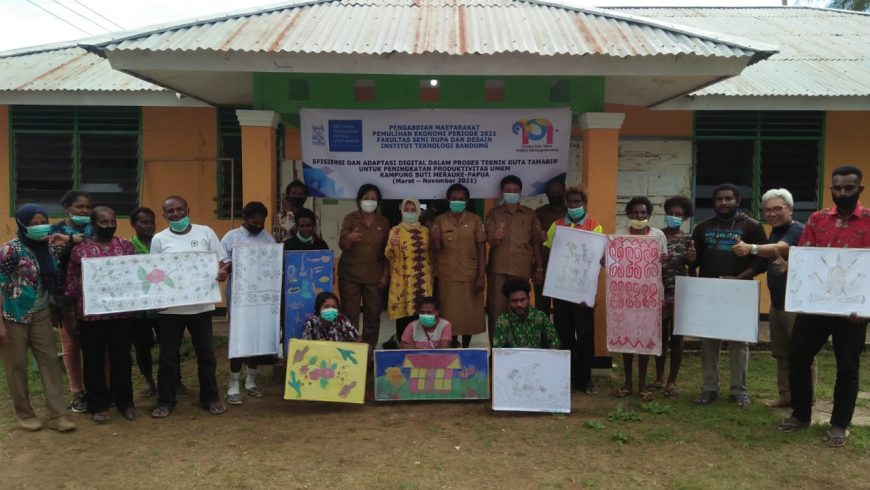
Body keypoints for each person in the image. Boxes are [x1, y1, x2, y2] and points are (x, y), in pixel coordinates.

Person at [778, 165, 869, 448]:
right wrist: (792, 271)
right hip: (815, 307)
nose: (842, 193)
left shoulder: (869, 220)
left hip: (853, 312)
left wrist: (865, 308)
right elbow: (807, 259)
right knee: (798, 357)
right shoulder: (817, 219)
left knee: (848, 367)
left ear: (859, 189)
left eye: (848, 188)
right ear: (831, 189)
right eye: (837, 188)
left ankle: (839, 424)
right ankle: (801, 415)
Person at [733, 188, 814, 408]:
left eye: (777, 209)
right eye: (767, 210)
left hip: (796, 305)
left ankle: (805, 398)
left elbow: (781, 248)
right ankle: (786, 396)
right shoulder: (775, 231)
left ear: (790, 209)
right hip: (778, 303)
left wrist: (751, 248)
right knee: (781, 354)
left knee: (802, 354)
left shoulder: (798, 230)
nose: (771, 214)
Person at [150, 196, 229, 418]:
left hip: (201, 307)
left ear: (188, 209)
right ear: (164, 216)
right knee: (167, 357)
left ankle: (210, 398)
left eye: (179, 210)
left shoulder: (206, 233)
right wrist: (157, 299)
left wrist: (223, 272)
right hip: (170, 309)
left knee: (206, 355)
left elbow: (222, 262)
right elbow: (154, 272)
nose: (176, 215)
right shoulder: (159, 239)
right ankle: (165, 401)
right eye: (171, 212)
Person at [689, 183, 767, 407]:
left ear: (737, 201)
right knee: (708, 341)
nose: (723, 203)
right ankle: (709, 388)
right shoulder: (702, 227)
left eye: (728, 199)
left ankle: (739, 390)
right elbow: (694, 261)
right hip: (709, 291)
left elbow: (761, 260)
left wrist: (741, 278)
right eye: (719, 199)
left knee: (738, 342)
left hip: (739, 291)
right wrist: (691, 259)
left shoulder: (751, 226)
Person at [0, 204, 76, 433]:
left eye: (42, 221)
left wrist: (66, 237)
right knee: (17, 365)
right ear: (22, 224)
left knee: (50, 362)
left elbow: (81, 239)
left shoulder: (50, 247)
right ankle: (25, 414)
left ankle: (58, 415)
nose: (38, 227)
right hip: (13, 314)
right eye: (33, 223)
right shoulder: (10, 250)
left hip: (42, 312)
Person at [65, 206, 137, 423]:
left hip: (121, 315)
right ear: (93, 223)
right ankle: (98, 405)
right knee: (93, 360)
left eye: (112, 221)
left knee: (122, 359)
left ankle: (125, 403)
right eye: (103, 222)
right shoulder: (80, 251)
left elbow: (135, 276)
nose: (109, 226)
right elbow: (72, 283)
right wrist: (69, 312)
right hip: (90, 316)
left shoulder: (125, 246)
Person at [543, 185, 603, 394]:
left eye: (578, 202)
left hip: (583, 294)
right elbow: (550, 254)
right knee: (564, 336)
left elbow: (596, 262)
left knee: (586, 336)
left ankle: (585, 379)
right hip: (560, 291)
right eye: (571, 202)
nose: (574, 205)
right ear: (566, 204)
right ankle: (567, 377)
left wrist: (591, 293)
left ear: (584, 203)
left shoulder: (595, 227)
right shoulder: (556, 226)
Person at [220, 202, 277, 405]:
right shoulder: (231, 237)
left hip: (261, 296)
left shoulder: (267, 238)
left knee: (257, 336)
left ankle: (251, 381)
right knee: (239, 336)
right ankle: (233, 383)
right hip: (238, 294)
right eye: (254, 222)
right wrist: (235, 264)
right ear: (245, 219)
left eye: (261, 222)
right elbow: (222, 262)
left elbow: (273, 263)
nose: (258, 225)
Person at [613, 197, 669, 401]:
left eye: (643, 213)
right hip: (626, 295)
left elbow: (662, 264)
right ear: (629, 215)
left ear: (648, 214)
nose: (639, 216)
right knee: (628, 339)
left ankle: (643, 385)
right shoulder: (620, 235)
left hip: (650, 295)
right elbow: (615, 263)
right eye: (635, 213)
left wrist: (664, 260)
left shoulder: (658, 235)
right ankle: (628, 383)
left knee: (644, 339)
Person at [129, 207, 185, 397]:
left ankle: (176, 380)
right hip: (139, 310)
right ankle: (149, 381)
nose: (149, 226)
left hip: (164, 306)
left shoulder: (162, 242)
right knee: (142, 346)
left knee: (170, 345)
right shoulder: (128, 247)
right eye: (143, 222)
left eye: (151, 222)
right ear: (133, 225)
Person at [485, 175, 545, 343]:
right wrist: (496, 237)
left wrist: (539, 268)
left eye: (515, 191)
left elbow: (536, 243)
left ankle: (518, 348)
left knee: (520, 310)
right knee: (496, 312)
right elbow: (489, 240)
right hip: (498, 269)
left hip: (521, 269)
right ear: (502, 192)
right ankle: (496, 351)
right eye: (508, 190)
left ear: (520, 192)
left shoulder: (530, 214)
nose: (511, 193)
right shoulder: (494, 213)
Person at [48, 189, 93, 413]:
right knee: (71, 345)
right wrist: (72, 240)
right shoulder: (55, 230)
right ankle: (78, 392)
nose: (84, 211)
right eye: (79, 207)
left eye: (87, 207)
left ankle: (101, 388)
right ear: (68, 208)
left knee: (98, 343)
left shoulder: (96, 226)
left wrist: (75, 240)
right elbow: (53, 258)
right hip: (65, 297)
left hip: (95, 294)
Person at [431, 184, 486, 348]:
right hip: (447, 275)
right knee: (450, 314)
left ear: (467, 201)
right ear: (448, 200)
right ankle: (452, 343)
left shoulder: (475, 220)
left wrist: (481, 276)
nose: (457, 202)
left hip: (470, 275)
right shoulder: (440, 220)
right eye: (454, 199)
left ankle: (466, 346)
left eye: (461, 199)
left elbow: (482, 249)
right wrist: (435, 239)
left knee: (469, 315)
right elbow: (436, 249)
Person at [338, 184, 390, 353]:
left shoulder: (383, 221)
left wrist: (385, 275)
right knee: (350, 315)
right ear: (359, 201)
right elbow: (343, 245)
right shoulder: (350, 218)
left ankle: (368, 352)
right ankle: (351, 351)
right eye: (366, 198)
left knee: (373, 315)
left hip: (374, 276)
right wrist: (350, 238)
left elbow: (388, 252)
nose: (370, 201)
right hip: (350, 275)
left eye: (373, 199)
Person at [653, 195, 695, 397]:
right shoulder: (655, 236)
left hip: (679, 292)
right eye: (670, 213)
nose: (673, 216)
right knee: (659, 336)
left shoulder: (688, 240)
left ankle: (672, 380)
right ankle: (659, 377)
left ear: (685, 217)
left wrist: (692, 260)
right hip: (657, 293)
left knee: (677, 337)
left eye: (678, 214)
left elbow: (693, 267)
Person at [386, 198, 433, 340]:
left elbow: (432, 252)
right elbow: (389, 255)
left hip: (423, 279)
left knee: (422, 315)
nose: (410, 213)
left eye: (413, 210)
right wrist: (393, 245)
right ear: (402, 211)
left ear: (419, 211)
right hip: (403, 279)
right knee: (403, 316)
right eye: (407, 209)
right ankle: (402, 346)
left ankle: (422, 346)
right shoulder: (395, 230)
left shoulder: (425, 231)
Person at [492, 277, 561, 349]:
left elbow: (555, 342)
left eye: (522, 300)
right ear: (507, 302)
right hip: (512, 359)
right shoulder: (503, 321)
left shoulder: (540, 317)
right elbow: (497, 350)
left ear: (528, 298)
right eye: (514, 301)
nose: (519, 304)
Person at [534, 177, 566, 316]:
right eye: (552, 192)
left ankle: (560, 337)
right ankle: (543, 337)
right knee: (542, 308)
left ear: (564, 192)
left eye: (559, 191)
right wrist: (538, 268)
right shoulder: (540, 212)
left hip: (564, 269)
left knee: (562, 309)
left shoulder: (569, 212)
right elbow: (535, 242)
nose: (556, 194)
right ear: (547, 194)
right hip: (544, 266)